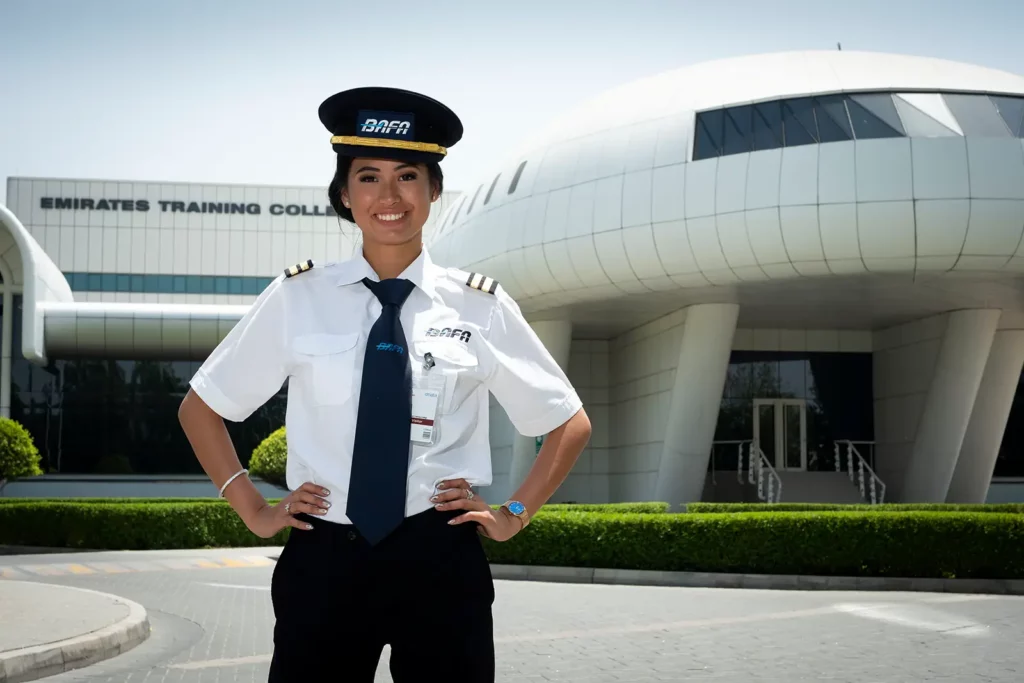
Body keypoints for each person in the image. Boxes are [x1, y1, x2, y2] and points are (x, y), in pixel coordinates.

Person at [178, 86, 592, 682]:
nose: (389, 196)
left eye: (408, 176)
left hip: (440, 557)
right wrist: (253, 508)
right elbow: (201, 408)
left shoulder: (478, 306)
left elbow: (568, 421)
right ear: (345, 194)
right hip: (325, 558)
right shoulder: (298, 298)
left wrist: (515, 513)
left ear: (434, 191)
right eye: (368, 177)